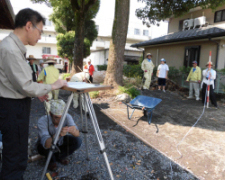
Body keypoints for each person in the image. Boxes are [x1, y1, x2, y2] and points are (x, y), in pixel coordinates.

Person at [0, 8, 67, 179]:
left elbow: (17, 83)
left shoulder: (14, 47)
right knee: (15, 157)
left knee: (17, 150)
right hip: (12, 108)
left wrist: (35, 91)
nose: (40, 37)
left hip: (15, 104)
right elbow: (26, 85)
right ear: (29, 26)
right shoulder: (10, 49)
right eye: (40, 31)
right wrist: (53, 86)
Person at [37, 99, 82, 171]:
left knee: (77, 141)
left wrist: (73, 131)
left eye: (62, 118)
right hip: (46, 145)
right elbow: (46, 144)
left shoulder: (67, 117)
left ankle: (59, 156)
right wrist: (59, 134)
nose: (60, 121)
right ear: (50, 114)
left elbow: (77, 134)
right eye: (57, 118)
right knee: (44, 148)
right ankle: (51, 161)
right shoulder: (42, 121)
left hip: (60, 141)